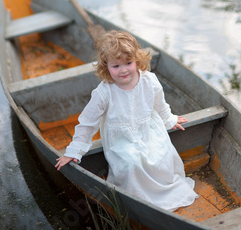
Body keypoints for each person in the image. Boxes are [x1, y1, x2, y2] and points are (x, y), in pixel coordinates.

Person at [55, 30, 198, 211]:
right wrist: (74, 150)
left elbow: (159, 104)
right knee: (130, 164)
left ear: (137, 60)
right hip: (121, 138)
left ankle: (164, 192)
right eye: (116, 66)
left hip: (148, 130)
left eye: (128, 63)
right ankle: (138, 200)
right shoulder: (104, 92)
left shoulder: (149, 80)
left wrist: (168, 119)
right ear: (106, 66)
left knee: (161, 155)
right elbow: (88, 123)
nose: (123, 70)